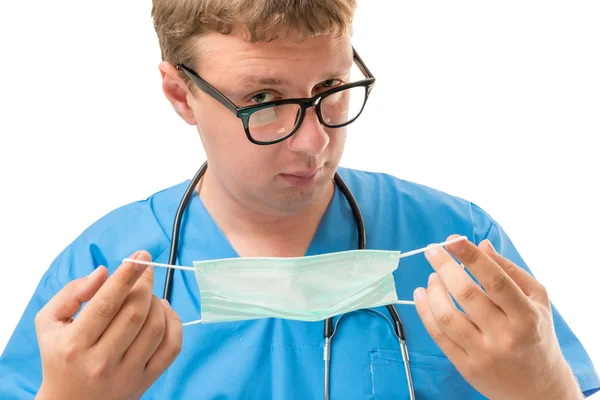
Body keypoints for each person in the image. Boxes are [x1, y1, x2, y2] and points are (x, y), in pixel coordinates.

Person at [1, 0, 598, 398]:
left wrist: (547, 391)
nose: (316, 141)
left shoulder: (454, 241)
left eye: (332, 89)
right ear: (180, 95)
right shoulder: (99, 272)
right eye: (264, 98)